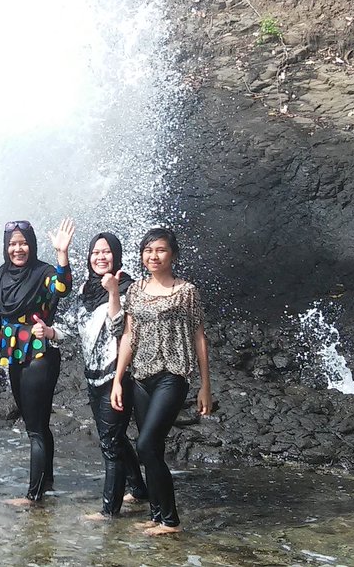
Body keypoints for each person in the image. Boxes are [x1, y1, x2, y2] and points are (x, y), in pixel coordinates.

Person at [111, 227, 212, 536]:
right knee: (151, 449)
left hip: (173, 373)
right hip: (141, 375)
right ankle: (157, 515)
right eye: (148, 250)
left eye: (160, 250)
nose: (153, 256)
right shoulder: (136, 290)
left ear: (173, 254)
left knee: (146, 443)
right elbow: (128, 335)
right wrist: (118, 379)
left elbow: (198, 336)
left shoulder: (186, 291)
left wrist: (205, 385)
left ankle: (170, 520)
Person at [0, 218, 74, 506]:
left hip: (38, 352)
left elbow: (61, 287)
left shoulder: (44, 272)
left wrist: (62, 254)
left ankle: (33, 496)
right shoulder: (1, 274)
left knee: (35, 427)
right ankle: (46, 483)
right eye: (12, 244)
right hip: (13, 353)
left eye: (23, 243)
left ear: (31, 245)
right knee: (36, 424)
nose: (18, 248)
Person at [61, 231, 149, 520]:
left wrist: (113, 292)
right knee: (115, 438)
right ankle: (138, 489)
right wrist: (49, 332)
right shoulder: (87, 288)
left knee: (110, 444)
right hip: (93, 378)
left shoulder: (128, 289)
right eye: (95, 252)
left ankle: (109, 511)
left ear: (117, 255)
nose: (100, 257)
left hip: (117, 377)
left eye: (107, 252)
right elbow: (71, 326)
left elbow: (118, 330)